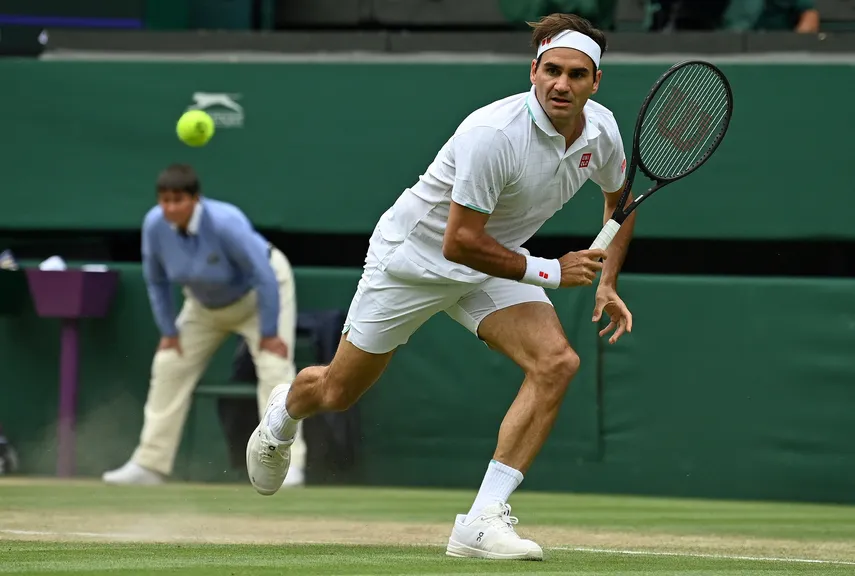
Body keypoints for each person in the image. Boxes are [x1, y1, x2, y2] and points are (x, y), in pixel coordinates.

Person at [247, 13, 634, 561]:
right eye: (551, 71)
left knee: (556, 363)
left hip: (493, 264)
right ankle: (284, 411)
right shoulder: (492, 135)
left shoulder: (602, 131)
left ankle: (480, 522)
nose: (561, 84)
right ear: (533, 71)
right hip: (413, 261)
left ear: (595, 82)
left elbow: (620, 200)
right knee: (338, 391)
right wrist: (551, 270)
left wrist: (607, 282)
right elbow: (459, 243)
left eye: (576, 74)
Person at [103, 164, 306, 487]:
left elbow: (264, 275)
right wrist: (169, 331)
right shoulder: (154, 226)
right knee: (169, 364)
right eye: (164, 200)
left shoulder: (225, 222)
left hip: (260, 294)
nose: (170, 208)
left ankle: (290, 466)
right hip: (203, 305)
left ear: (195, 199)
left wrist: (269, 332)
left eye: (178, 200)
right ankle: (149, 464)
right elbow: (155, 280)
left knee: (274, 368)